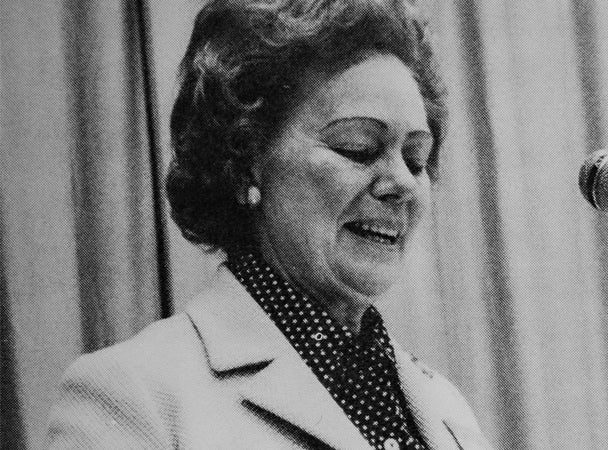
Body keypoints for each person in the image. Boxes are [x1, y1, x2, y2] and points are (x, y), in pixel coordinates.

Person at [45, 1, 492, 448]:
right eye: (358, 148)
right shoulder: (133, 394)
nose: (403, 184)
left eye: (415, 159)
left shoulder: (446, 406)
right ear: (245, 164)